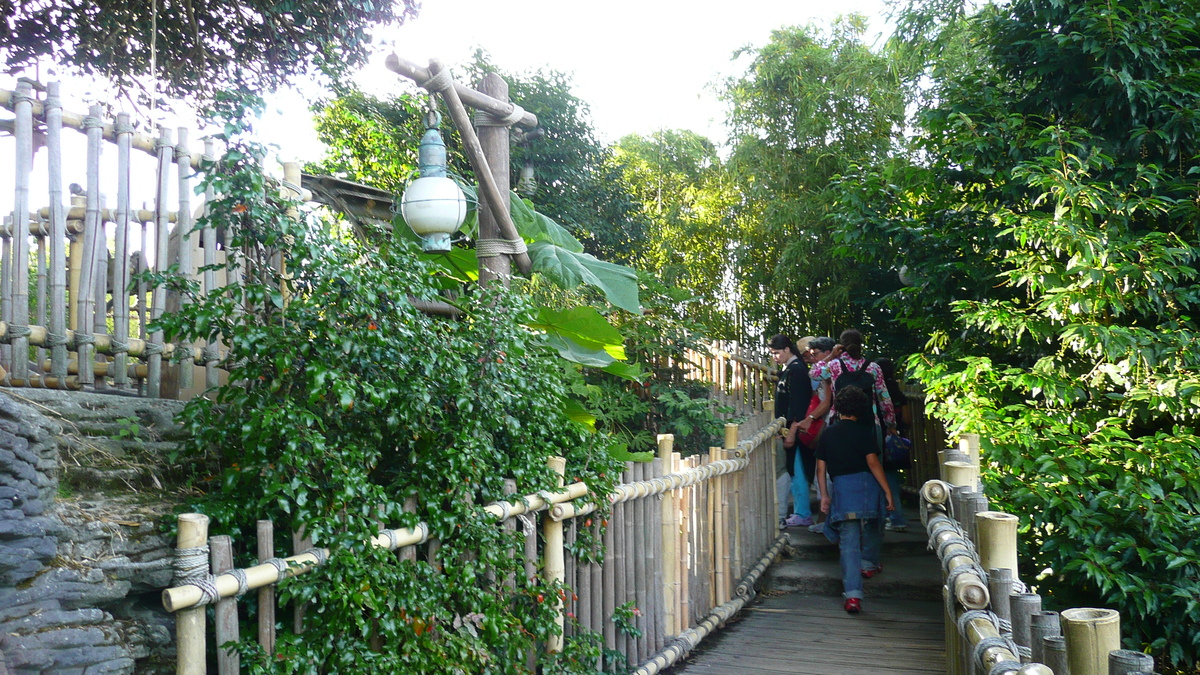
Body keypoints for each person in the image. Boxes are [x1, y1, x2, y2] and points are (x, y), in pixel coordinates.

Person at [816, 385, 895, 614]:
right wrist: (887, 491)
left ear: (837, 408)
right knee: (875, 523)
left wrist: (824, 495)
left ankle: (852, 596)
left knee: (848, 544)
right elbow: (873, 463)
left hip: (843, 488)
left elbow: (821, 468)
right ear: (860, 409)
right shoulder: (863, 431)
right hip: (867, 486)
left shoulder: (828, 433)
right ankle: (869, 563)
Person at [808, 329, 896, 446]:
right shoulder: (873, 368)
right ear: (860, 345)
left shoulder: (835, 366)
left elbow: (813, 373)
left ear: (841, 346)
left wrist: (831, 356)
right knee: (872, 461)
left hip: (840, 423)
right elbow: (884, 399)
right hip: (869, 423)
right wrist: (891, 424)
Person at [769, 334, 813, 528]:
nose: (774, 357)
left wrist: (792, 431)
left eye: (777, 353)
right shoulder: (792, 369)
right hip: (790, 428)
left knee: (797, 471)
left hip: (795, 429)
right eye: (772, 354)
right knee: (795, 470)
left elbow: (798, 404)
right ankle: (800, 512)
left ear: (787, 349)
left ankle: (802, 512)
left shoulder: (797, 371)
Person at [874, 357, 911, 532]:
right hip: (896, 441)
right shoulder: (899, 394)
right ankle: (896, 517)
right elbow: (906, 419)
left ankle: (892, 518)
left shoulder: (878, 391)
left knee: (882, 478)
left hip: (880, 439)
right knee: (892, 478)